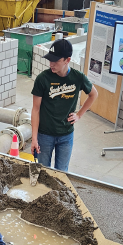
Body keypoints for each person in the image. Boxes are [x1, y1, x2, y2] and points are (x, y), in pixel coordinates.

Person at [31, 38, 98, 172]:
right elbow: (36, 110)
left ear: (67, 60)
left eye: (56, 61)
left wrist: (79, 115)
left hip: (66, 135)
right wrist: (34, 138)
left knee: (62, 172)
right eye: (50, 60)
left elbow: (94, 94)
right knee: (43, 172)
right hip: (45, 135)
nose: (51, 64)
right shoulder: (42, 79)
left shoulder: (78, 77)